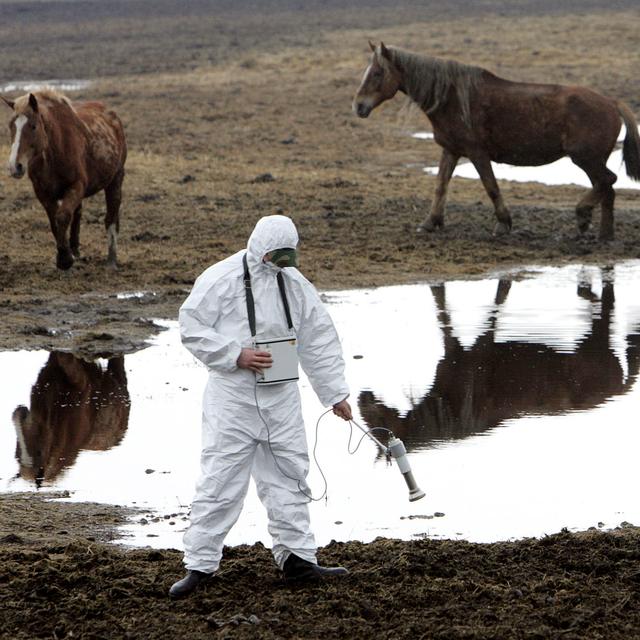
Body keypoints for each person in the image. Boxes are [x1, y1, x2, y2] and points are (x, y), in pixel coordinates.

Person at [169, 214, 353, 598]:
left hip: (282, 397)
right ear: (260, 249)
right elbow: (191, 326)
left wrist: (334, 393)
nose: (282, 265)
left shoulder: (294, 283)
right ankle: (199, 566)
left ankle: (298, 560)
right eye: (276, 257)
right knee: (220, 480)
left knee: (290, 475)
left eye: (289, 258)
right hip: (232, 399)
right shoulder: (220, 278)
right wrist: (235, 354)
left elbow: (318, 337)